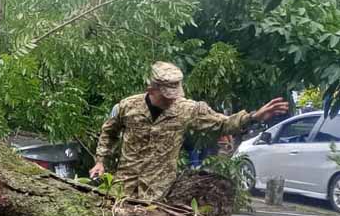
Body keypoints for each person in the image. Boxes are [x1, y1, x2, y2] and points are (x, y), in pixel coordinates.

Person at [89, 61, 289, 200]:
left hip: (159, 191)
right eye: (166, 95)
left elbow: (223, 124)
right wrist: (100, 161)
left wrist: (253, 116)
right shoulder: (127, 106)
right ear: (151, 89)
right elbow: (109, 131)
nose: (172, 99)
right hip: (123, 186)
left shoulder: (188, 109)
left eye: (174, 94)